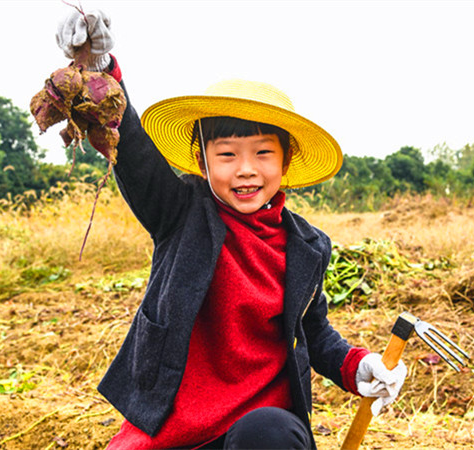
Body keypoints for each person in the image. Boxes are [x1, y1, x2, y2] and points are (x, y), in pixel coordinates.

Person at [56, 9, 407, 450]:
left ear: (286, 161)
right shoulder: (180, 213)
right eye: (226, 155)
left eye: (263, 153)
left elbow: (314, 333)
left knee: (270, 433)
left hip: (257, 430)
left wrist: (359, 366)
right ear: (201, 161)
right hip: (173, 429)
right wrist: (100, 69)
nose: (246, 170)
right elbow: (136, 153)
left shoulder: (307, 246)